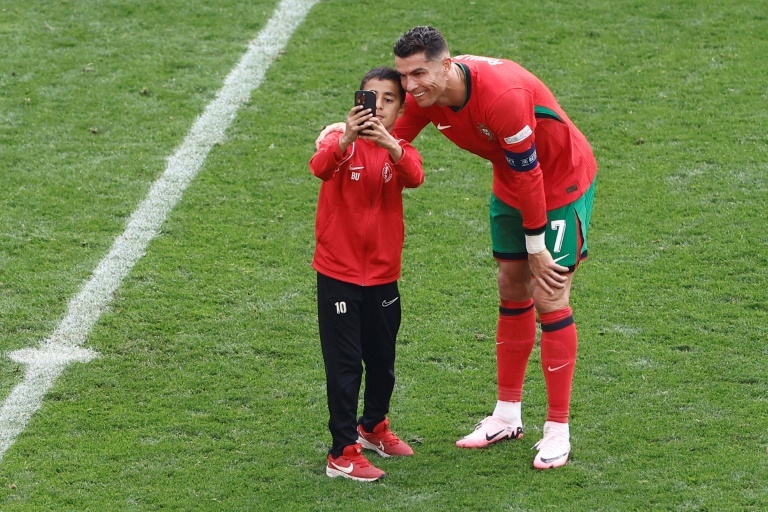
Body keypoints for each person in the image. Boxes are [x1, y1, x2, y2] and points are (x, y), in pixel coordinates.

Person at [317, 26, 596, 470]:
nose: (409, 87)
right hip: (510, 184)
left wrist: (537, 245)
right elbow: (396, 139)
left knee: (550, 293)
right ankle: (507, 415)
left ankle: (557, 430)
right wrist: (342, 134)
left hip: (558, 181)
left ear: (448, 65)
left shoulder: (502, 96)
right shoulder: (431, 98)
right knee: (511, 286)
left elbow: (532, 174)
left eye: (419, 74)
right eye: (404, 76)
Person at [309, 66, 424, 482]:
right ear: (358, 101)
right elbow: (319, 167)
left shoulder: (401, 146)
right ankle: (342, 452)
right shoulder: (336, 137)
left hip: (382, 276)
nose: (379, 106)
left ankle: (373, 427)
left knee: (382, 360)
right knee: (344, 368)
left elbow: (415, 175)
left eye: (389, 100)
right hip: (338, 274)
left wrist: (390, 145)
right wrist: (346, 139)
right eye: (371, 97)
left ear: (399, 109)